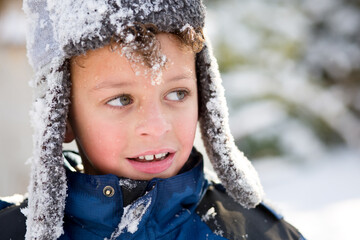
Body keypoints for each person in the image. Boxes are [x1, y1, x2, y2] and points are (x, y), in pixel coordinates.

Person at [0, 0, 306, 239]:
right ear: (62, 115)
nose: (157, 126)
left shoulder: (261, 234)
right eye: (121, 99)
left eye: (177, 93)